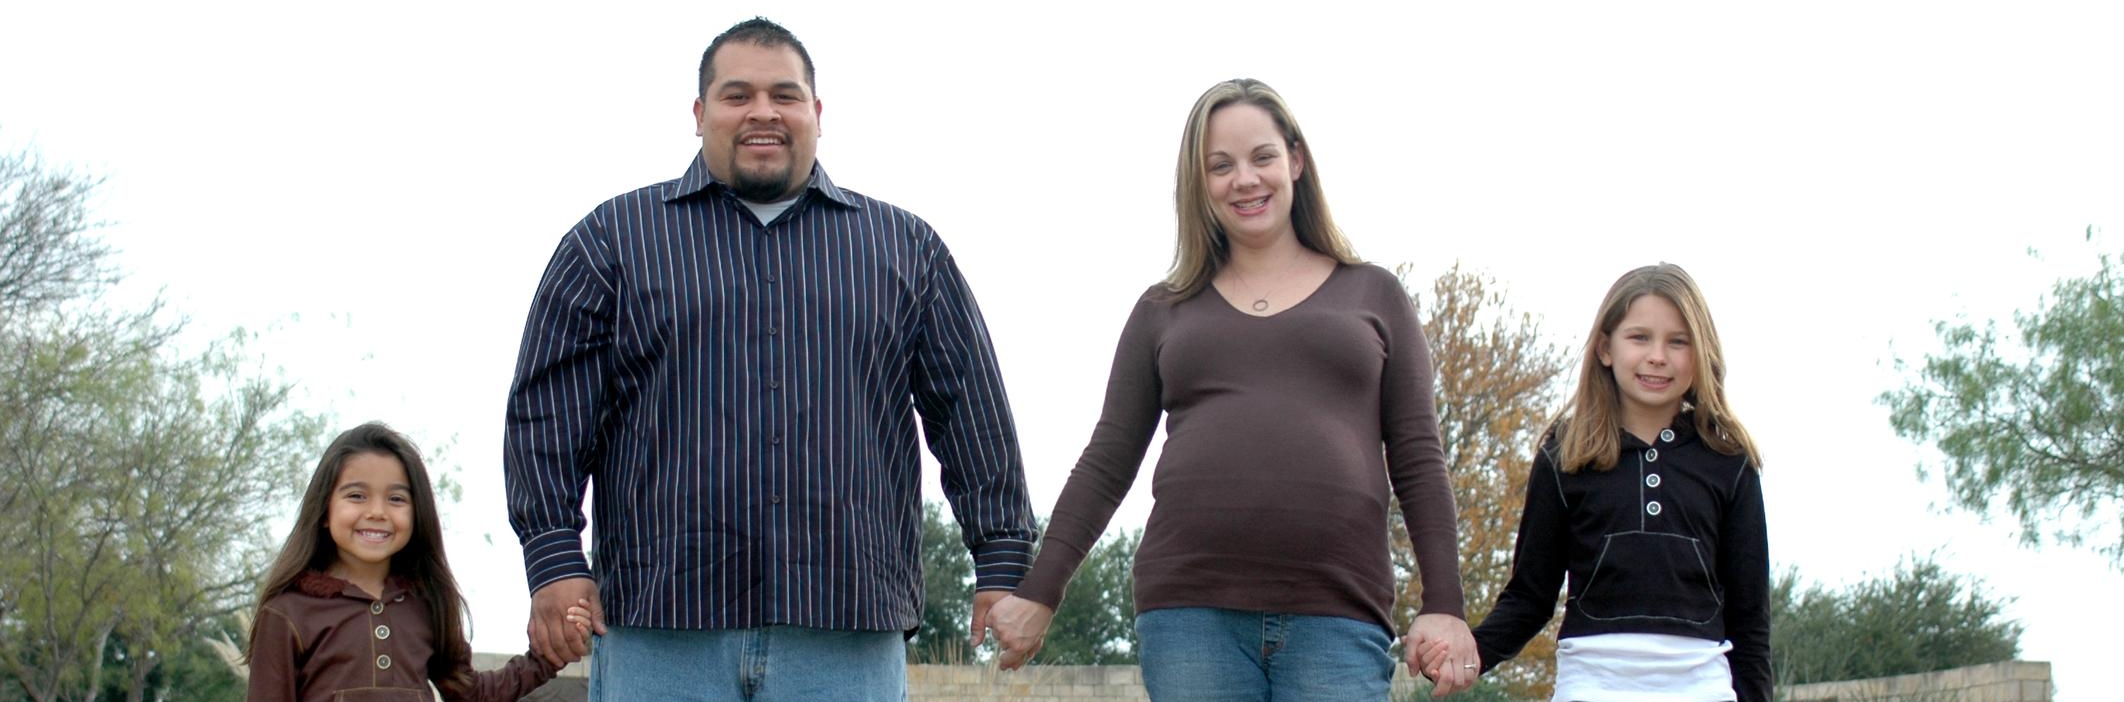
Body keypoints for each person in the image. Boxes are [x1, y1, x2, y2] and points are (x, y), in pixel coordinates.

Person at [502, 16, 1036, 702]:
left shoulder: (907, 249)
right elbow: (546, 416)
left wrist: (1000, 559)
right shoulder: (612, 241)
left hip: (846, 627)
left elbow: (971, 408)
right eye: (736, 95)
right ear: (699, 114)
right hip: (662, 628)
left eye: (784, 95)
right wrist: (552, 561)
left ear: (817, 112)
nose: (763, 112)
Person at [983, 78, 1480, 700]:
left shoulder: (1374, 295)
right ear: (1200, 183)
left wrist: (1446, 605)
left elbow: (1417, 456)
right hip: (1191, 616)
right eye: (1220, 166)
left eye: (1262, 157)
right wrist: (1040, 590)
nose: (1244, 179)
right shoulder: (1163, 309)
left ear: (1295, 160)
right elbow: (1108, 461)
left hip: (1338, 616)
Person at [1437, 263, 1771, 702]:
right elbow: (1530, 597)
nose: (1657, 355)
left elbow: (1751, 619)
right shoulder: (1564, 456)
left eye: (1678, 341)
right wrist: (1468, 655)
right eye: (1639, 337)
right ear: (1605, 348)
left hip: (1702, 685)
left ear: (1702, 354)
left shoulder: (1730, 462)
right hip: (1591, 683)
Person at [246, 422, 602, 701]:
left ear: (418, 514)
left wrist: (549, 655)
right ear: (324, 510)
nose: (376, 512)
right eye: (356, 495)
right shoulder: (286, 614)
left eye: (396, 499)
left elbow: (473, 694)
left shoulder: (427, 603)